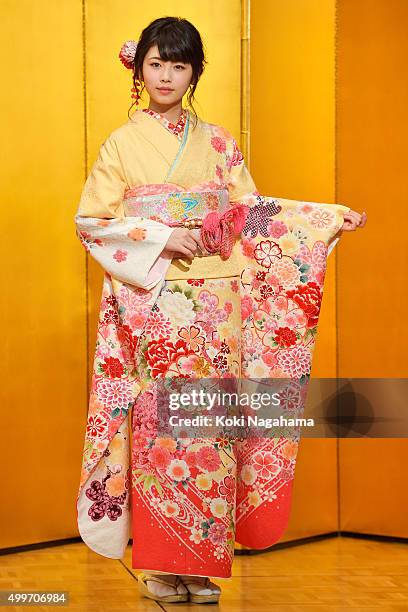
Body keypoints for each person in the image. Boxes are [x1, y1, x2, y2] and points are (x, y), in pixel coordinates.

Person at [75, 16, 367, 605]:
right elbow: (92, 221)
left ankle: (202, 566)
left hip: (218, 303)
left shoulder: (219, 144)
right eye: (155, 63)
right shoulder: (120, 144)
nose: (165, 75)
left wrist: (322, 218)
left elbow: (250, 215)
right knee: (164, 432)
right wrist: (158, 237)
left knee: (210, 428)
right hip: (156, 301)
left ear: (194, 73)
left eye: (178, 65)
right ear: (140, 68)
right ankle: (160, 565)